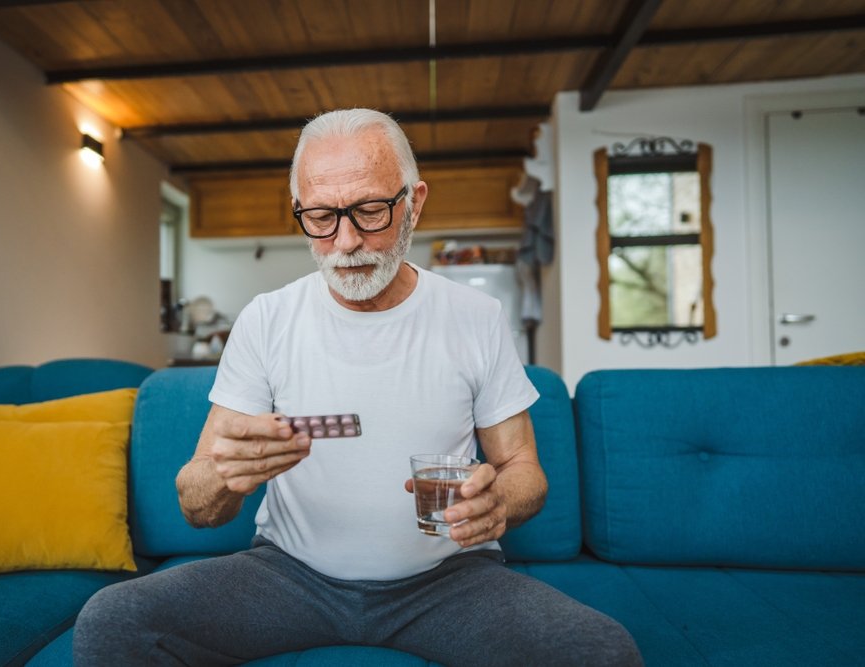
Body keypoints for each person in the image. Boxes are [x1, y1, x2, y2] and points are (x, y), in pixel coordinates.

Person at [74, 108, 643, 666]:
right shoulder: (266, 319)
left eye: (370, 210)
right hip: (287, 575)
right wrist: (222, 479)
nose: (345, 241)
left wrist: (499, 502)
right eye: (320, 217)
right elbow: (197, 504)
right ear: (299, 209)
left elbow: (526, 471)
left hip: (448, 582)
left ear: (414, 203)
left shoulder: (476, 316)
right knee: (114, 620)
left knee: (601, 651)